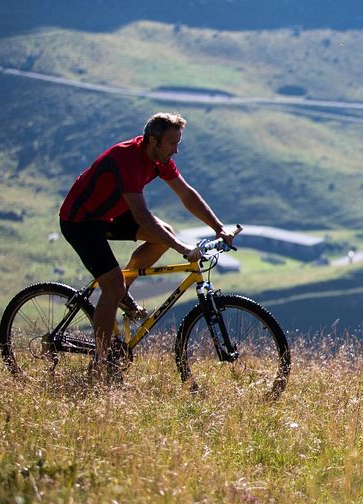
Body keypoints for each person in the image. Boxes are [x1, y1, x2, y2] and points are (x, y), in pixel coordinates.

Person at [59, 112, 235, 381]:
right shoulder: (126, 159)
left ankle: (122, 293)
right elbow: (142, 216)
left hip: (109, 214)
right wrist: (182, 248)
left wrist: (218, 227)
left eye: (178, 143)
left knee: (163, 233)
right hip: (80, 221)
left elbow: (185, 194)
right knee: (113, 283)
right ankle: (100, 363)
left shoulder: (159, 159)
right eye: (172, 144)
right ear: (152, 141)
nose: (176, 151)